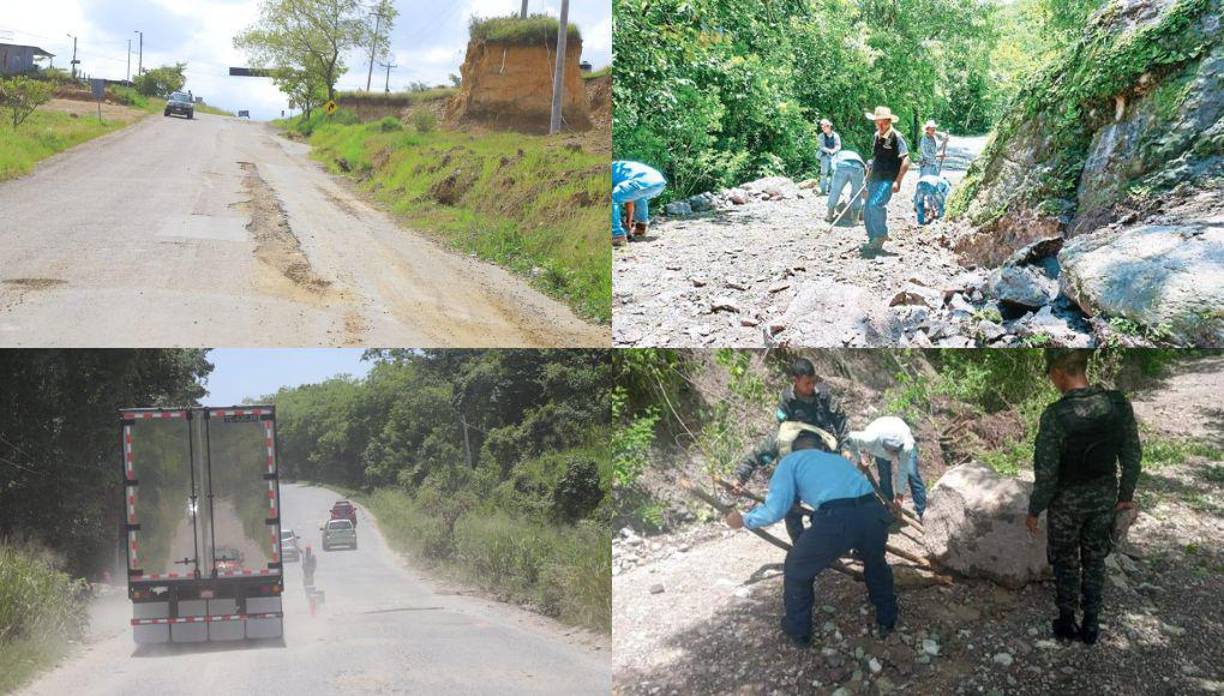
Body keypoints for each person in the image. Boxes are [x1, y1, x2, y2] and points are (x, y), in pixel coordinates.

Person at [725, 430, 898, 645]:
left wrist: (745, 520)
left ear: (795, 449)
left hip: (838, 519)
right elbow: (851, 489)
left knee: (797, 568)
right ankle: (887, 619)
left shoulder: (790, 462)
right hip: (874, 514)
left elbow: (776, 508)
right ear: (821, 448)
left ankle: (798, 631)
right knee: (875, 563)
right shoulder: (838, 460)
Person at [1025, 349, 1142, 645]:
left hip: (1066, 504)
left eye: (1051, 375)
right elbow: (1132, 454)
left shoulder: (1055, 416)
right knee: (1095, 560)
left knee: (1065, 562)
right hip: (1103, 498)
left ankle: (1066, 621)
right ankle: (1091, 624)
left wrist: (1035, 509)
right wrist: (1125, 495)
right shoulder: (1116, 405)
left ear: (1059, 372)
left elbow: (1047, 473)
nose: (1052, 381)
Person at [732, 357, 850, 543]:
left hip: (822, 454)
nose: (811, 387)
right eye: (806, 383)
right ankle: (802, 546)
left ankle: (833, 540)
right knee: (790, 508)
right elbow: (758, 454)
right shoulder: (785, 425)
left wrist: (845, 448)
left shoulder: (824, 397)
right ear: (795, 380)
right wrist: (739, 478)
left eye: (813, 382)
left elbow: (841, 421)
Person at [845, 416, 928, 521]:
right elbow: (849, 439)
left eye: (896, 452)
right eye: (891, 452)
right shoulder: (870, 439)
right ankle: (890, 509)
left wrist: (900, 495)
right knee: (885, 476)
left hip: (899, 428)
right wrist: (859, 459)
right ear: (883, 447)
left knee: (912, 473)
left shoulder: (906, 447)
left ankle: (923, 512)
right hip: (879, 429)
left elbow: (903, 471)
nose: (893, 456)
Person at [861, 106, 910, 257]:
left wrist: (898, 181)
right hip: (875, 177)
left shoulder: (896, 136)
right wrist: (866, 181)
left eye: (883, 123)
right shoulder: (876, 136)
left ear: (888, 121)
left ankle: (881, 235)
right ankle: (873, 239)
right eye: (877, 123)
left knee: (876, 204)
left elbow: (906, 160)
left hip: (888, 178)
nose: (880, 126)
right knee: (867, 208)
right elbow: (874, 160)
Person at [612, 160, 667, 246]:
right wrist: (629, 224)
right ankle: (641, 227)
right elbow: (629, 199)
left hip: (644, 181)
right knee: (640, 196)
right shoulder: (617, 167)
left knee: (612, 198)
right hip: (658, 182)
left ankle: (616, 235)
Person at [825, 149, 867, 224]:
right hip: (858, 167)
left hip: (842, 166)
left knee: (835, 191)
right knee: (856, 193)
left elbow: (834, 170)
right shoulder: (855, 155)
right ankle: (855, 218)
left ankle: (829, 215)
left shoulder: (835, 156)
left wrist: (830, 186)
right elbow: (864, 170)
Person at [817, 119, 842, 195]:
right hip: (824, 156)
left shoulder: (836, 135)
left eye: (824, 127)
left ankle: (831, 190)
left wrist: (833, 151)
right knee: (823, 173)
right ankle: (823, 190)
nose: (823, 128)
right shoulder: (821, 136)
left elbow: (838, 146)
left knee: (834, 172)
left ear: (829, 127)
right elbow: (821, 147)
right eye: (822, 127)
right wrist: (829, 151)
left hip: (834, 156)